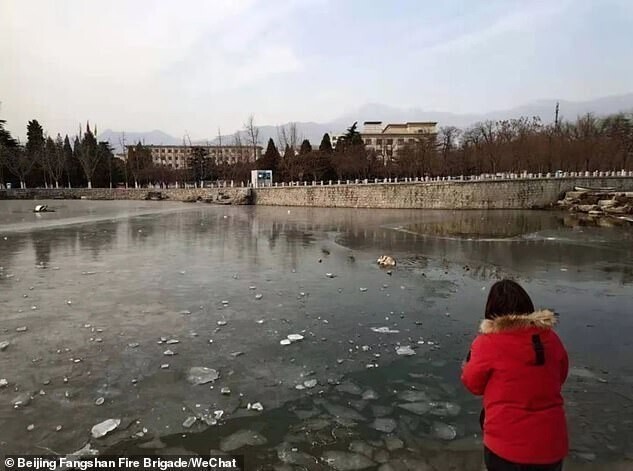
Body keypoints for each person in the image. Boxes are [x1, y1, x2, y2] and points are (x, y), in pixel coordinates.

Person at [461, 279, 568, 471]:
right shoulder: (551, 339)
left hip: (506, 447)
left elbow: (473, 384)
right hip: (551, 444)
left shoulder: (487, 343)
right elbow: (560, 375)